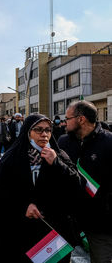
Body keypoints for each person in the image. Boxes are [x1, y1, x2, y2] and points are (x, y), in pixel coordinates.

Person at [0, 114, 84, 262]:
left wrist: (56, 162)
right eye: (38, 130)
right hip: (21, 230)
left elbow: (75, 183)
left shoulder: (59, 155)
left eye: (47, 130)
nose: (44, 134)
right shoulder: (13, 157)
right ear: (28, 132)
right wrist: (23, 206)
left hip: (52, 229)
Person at [58, 101, 112, 263]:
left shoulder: (109, 143)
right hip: (68, 219)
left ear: (81, 119)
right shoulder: (63, 142)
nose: (64, 122)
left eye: (67, 118)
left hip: (100, 221)